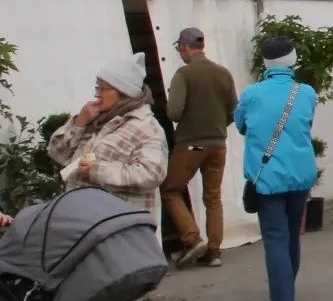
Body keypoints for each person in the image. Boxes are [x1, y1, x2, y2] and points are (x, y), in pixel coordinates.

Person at [233, 37, 318, 301]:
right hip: (300, 174)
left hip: (267, 176)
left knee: (275, 238)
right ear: (293, 60)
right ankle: (287, 289)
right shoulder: (306, 93)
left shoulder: (252, 94)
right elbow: (305, 124)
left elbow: (241, 124)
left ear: (266, 63)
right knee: (292, 235)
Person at [48, 52, 169, 218]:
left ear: (123, 92)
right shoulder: (95, 118)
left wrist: (98, 170)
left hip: (118, 224)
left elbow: (151, 174)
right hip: (80, 219)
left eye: (102, 88)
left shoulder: (147, 128)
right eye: (96, 87)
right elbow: (57, 154)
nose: (96, 94)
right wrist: (79, 123)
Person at [162, 27, 238, 268]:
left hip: (192, 145)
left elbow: (174, 113)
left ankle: (192, 239)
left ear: (185, 47)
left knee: (170, 189)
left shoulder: (184, 74)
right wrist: (216, 125)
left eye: (179, 48)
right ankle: (214, 252)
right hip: (218, 144)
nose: (179, 52)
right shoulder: (223, 73)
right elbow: (234, 111)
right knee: (213, 197)